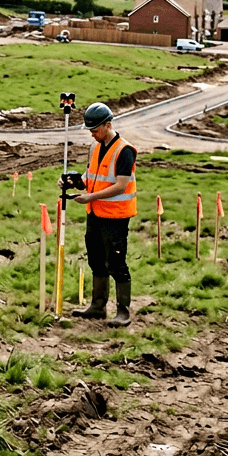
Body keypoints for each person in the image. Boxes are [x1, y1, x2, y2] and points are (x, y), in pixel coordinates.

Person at [63, 102, 137, 327]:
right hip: (95, 214)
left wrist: (90, 197)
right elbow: (90, 177)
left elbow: (121, 186)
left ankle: (123, 311)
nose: (93, 134)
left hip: (115, 217)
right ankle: (97, 306)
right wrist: (72, 182)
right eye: (90, 131)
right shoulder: (94, 147)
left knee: (116, 263)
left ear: (108, 125)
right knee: (96, 260)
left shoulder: (124, 151)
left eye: (95, 130)